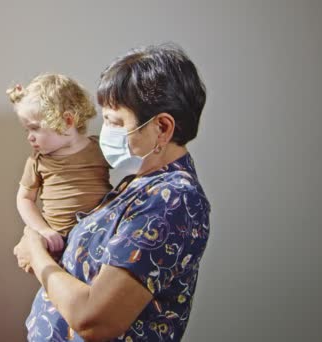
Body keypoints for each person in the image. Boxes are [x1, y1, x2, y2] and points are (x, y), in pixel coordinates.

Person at [13, 43, 210, 341]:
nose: (104, 132)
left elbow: (95, 321)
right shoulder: (139, 185)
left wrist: (36, 254)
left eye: (115, 122)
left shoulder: (171, 200)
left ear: (162, 128)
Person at [7, 73, 113, 254]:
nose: (29, 137)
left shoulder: (101, 148)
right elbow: (24, 199)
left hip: (100, 239)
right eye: (27, 130)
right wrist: (43, 230)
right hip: (58, 243)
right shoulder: (37, 161)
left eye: (34, 128)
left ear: (67, 121)